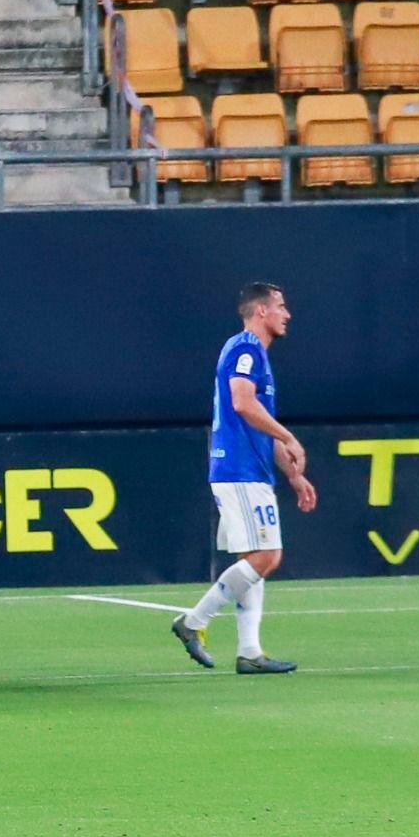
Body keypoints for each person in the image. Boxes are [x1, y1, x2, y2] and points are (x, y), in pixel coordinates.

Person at [171, 282, 316, 674]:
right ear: (262, 311)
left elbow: (256, 424)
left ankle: (250, 651)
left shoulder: (252, 353)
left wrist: (293, 474)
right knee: (267, 556)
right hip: (239, 470)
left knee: (254, 558)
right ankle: (193, 621)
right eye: (281, 306)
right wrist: (289, 436)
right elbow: (242, 402)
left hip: (248, 468)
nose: (287, 314)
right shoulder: (246, 349)